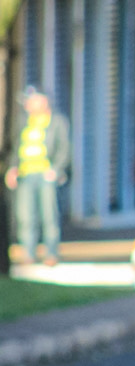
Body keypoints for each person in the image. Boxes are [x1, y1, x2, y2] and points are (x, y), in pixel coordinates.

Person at [4, 88, 71, 266]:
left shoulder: (56, 121)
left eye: (31, 100)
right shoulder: (24, 121)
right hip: (26, 174)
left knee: (49, 216)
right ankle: (29, 253)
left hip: (46, 175)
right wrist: (13, 168)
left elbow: (64, 148)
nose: (27, 104)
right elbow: (17, 146)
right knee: (26, 216)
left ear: (43, 101)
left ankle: (51, 253)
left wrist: (56, 170)